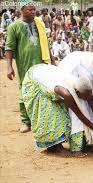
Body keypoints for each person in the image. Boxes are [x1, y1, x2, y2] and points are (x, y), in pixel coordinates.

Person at [5, 1, 52, 133]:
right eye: (30, 10)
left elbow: (46, 44)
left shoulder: (39, 24)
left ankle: (41, 119)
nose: (33, 12)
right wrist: (9, 67)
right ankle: (26, 121)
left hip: (41, 63)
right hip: (24, 65)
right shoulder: (14, 26)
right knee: (25, 91)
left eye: (34, 9)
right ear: (22, 10)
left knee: (43, 90)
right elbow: (9, 48)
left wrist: (52, 61)